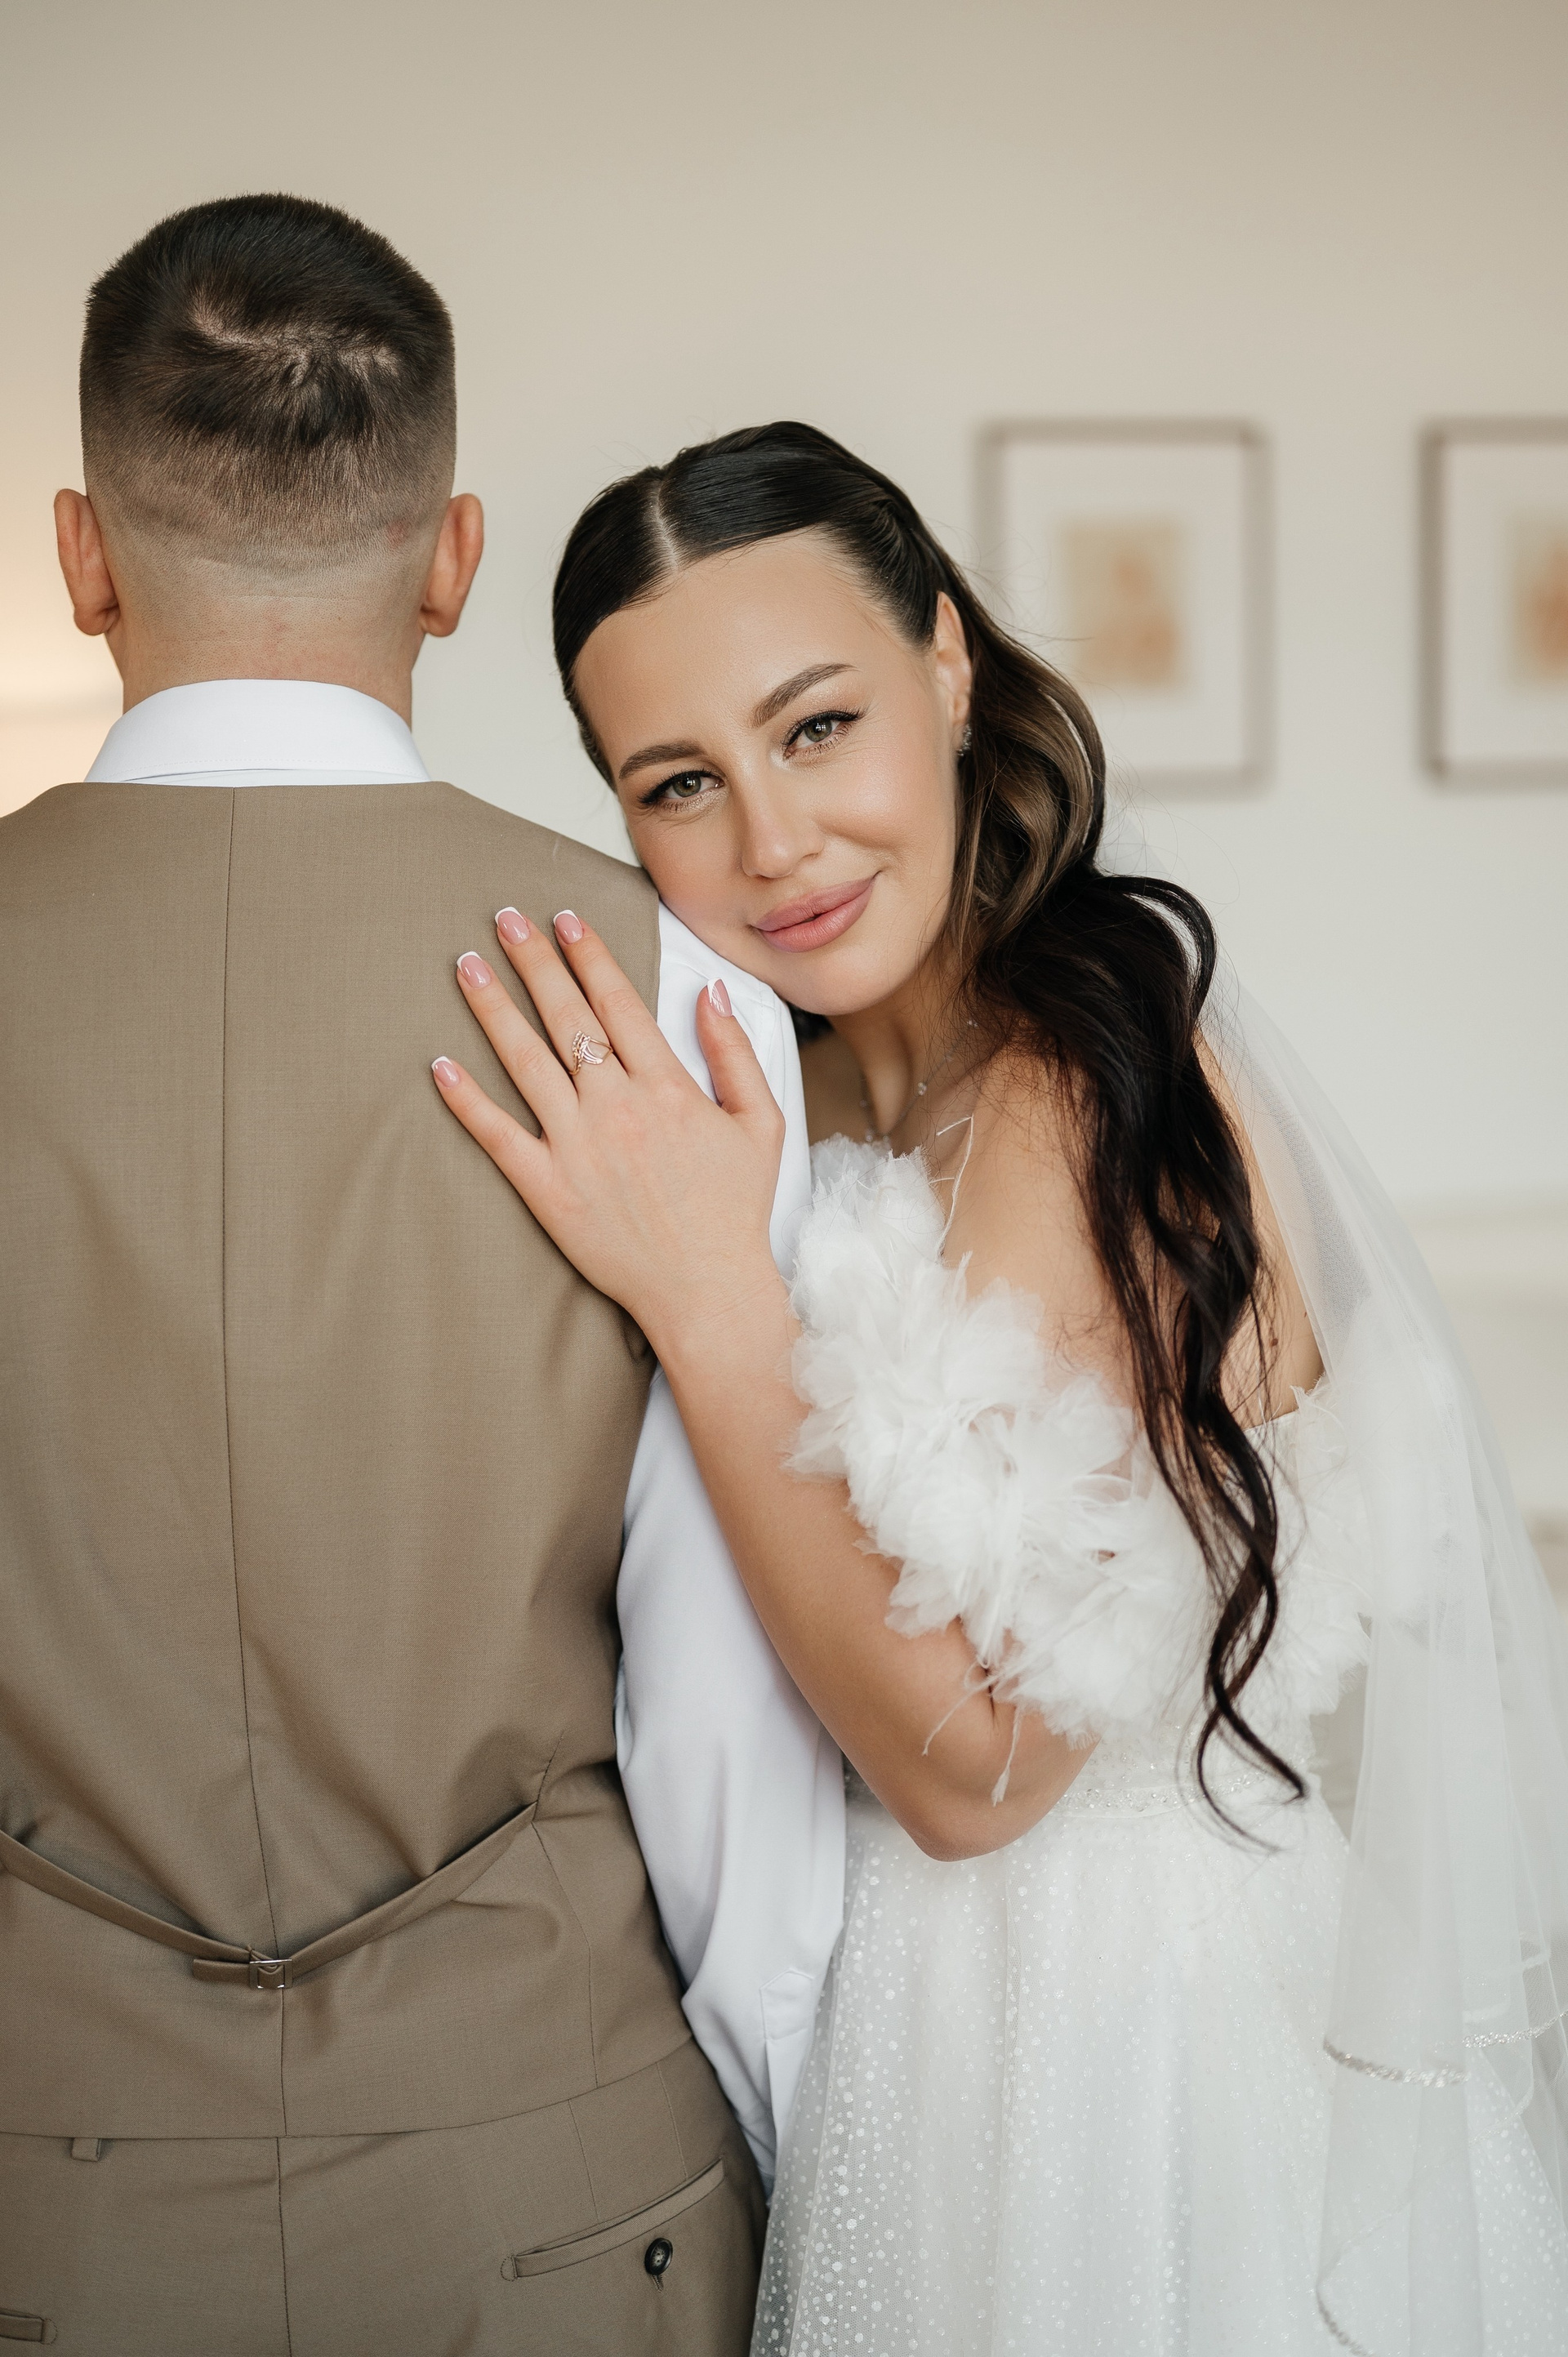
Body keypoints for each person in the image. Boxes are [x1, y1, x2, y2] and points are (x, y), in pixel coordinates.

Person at [434, 421, 1568, 2355]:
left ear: (948, 669)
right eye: (681, 781)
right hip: (904, 2031)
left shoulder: (1083, 1084)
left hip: (1129, 2044)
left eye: (818, 727)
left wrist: (710, 1303)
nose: (774, 842)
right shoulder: (796, 1104)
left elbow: (981, 1770)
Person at [0, 204, 844, 2355]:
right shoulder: (670, 997)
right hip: (556, 2179)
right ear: (454, 559)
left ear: (85, 554)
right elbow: (724, 1722)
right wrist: (816, 2180)